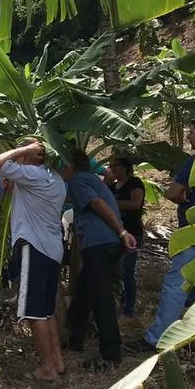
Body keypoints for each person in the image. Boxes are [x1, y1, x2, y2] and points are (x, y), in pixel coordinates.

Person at [130, 115, 195, 353]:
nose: (188, 136)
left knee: (175, 286)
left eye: (192, 131)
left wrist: (183, 191)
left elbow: (172, 192)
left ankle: (159, 338)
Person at [0, 139, 67, 381]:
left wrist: (22, 150)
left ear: (31, 155)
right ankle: (57, 361)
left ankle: (47, 368)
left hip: (33, 247)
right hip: (52, 250)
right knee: (46, 310)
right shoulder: (55, 178)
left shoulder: (32, 174)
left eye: (23, 153)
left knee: (33, 313)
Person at [62, 150, 138, 370]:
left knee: (100, 296)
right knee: (83, 293)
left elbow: (97, 205)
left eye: (62, 166)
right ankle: (74, 339)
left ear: (72, 166)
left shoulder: (77, 181)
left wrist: (122, 232)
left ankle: (111, 352)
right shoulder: (92, 181)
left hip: (99, 243)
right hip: (104, 242)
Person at [110, 157, 145, 317]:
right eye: (110, 167)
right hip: (115, 233)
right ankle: (118, 302)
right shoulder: (111, 186)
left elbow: (136, 204)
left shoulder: (135, 183)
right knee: (115, 271)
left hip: (133, 232)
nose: (112, 169)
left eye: (115, 166)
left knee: (127, 271)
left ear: (125, 168)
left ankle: (129, 307)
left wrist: (114, 204)